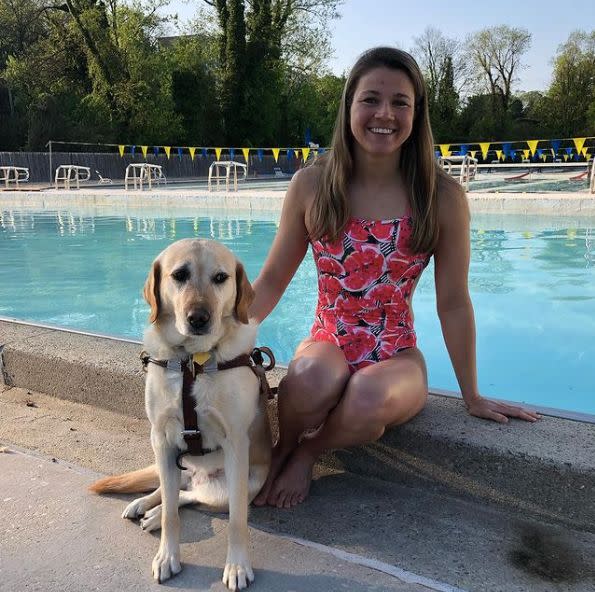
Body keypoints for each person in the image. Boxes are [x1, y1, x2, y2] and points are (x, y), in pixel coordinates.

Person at [249, 47, 540, 510]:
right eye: (371, 99)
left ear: (416, 113)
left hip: (397, 353)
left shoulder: (440, 196)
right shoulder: (312, 185)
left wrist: (473, 394)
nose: (384, 114)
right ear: (348, 107)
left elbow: (454, 303)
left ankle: (308, 450)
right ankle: (282, 448)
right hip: (329, 337)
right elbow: (270, 281)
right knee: (307, 382)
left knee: (366, 396)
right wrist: (219, 341)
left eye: (400, 102)